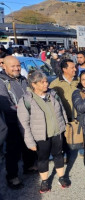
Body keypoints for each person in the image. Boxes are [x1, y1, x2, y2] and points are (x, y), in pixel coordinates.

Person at [17, 70, 71, 193]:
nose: (46, 84)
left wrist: (65, 126)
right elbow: (23, 124)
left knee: (58, 155)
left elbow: (61, 110)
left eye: (46, 81)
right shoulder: (25, 100)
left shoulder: (53, 94)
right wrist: (30, 142)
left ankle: (62, 177)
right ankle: (45, 181)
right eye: (42, 82)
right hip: (41, 136)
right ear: (33, 84)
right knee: (43, 159)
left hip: (57, 132)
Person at [0, 56, 37, 189]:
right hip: (11, 122)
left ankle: (29, 166)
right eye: (13, 66)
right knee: (13, 150)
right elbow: (5, 105)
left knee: (27, 144)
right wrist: (22, 110)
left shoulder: (22, 79)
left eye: (18, 66)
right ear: (4, 66)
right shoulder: (2, 81)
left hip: (27, 119)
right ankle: (12, 176)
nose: (16, 68)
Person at [49, 59, 80, 161]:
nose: (75, 69)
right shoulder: (55, 84)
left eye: (75, 67)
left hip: (79, 112)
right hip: (64, 115)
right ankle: (66, 153)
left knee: (80, 131)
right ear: (64, 69)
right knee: (65, 135)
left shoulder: (79, 80)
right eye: (72, 67)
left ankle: (81, 149)